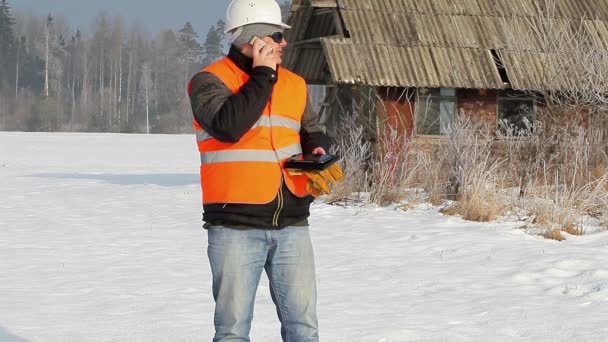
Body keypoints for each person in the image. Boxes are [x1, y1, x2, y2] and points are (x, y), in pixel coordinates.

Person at [187, 0, 340, 340]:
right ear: (253, 39)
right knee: (233, 332)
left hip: (292, 224)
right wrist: (263, 75)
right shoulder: (209, 82)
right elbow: (229, 126)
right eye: (275, 35)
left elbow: (310, 128)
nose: (283, 43)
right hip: (234, 227)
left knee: (304, 328)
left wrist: (318, 148)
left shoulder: (294, 84)